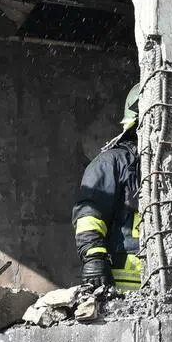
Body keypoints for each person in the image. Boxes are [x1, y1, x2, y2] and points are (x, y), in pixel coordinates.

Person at [72, 84, 143, 292]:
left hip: (170, 290)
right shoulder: (111, 163)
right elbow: (89, 213)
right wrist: (94, 258)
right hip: (122, 289)